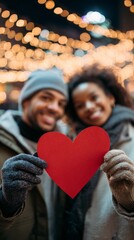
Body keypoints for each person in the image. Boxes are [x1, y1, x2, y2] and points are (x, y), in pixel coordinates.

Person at [65, 64, 134, 240]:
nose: (88, 107)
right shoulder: (74, 146)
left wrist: (129, 200)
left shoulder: (131, 140)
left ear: (111, 97)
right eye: (80, 105)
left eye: (94, 97)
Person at [0, 68, 69, 240]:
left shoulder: (68, 145)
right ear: (26, 101)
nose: (55, 108)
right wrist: (6, 201)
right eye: (46, 98)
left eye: (61, 103)